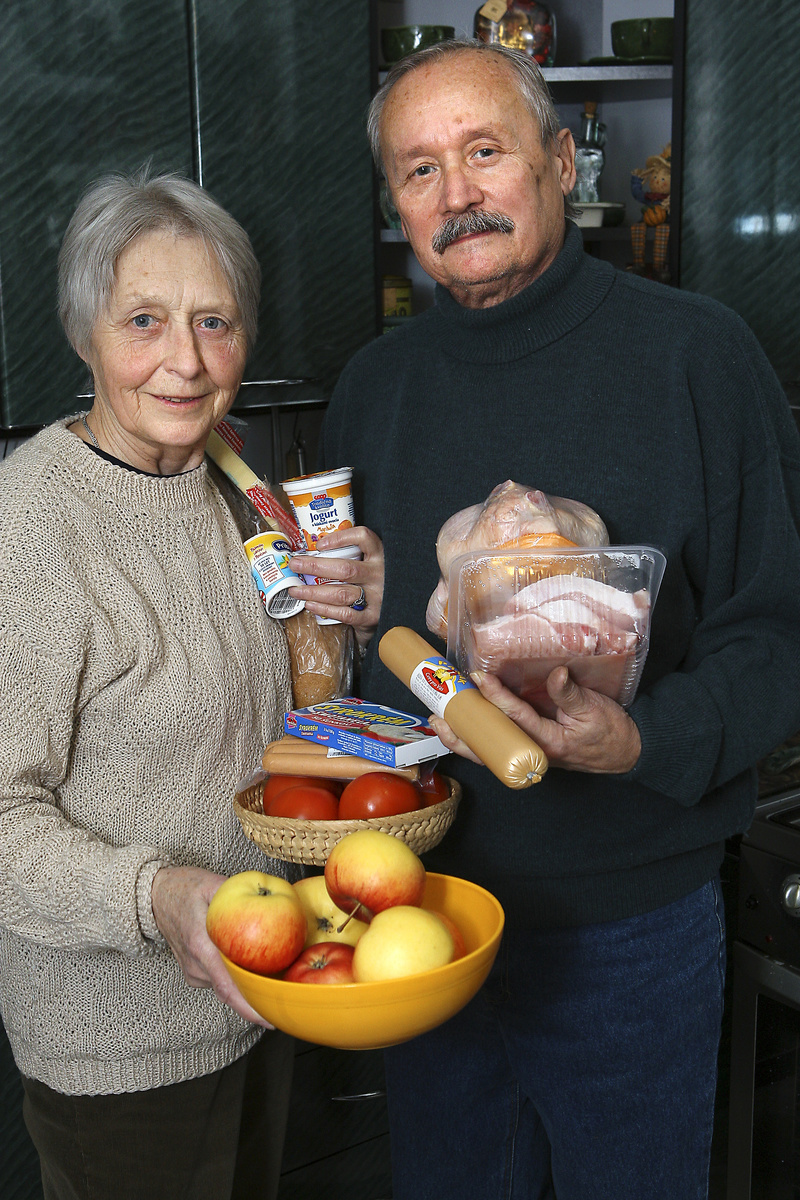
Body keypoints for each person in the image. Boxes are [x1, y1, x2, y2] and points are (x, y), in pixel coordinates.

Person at [317, 38, 800, 1200]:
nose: (456, 194)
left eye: (483, 151)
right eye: (419, 170)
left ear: (559, 159)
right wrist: (350, 613)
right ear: (394, 200)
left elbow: (775, 630)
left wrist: (639, 739)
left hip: (627, 928)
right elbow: (390, 657)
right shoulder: (372, 387)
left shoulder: (695, 355)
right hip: (425, 912)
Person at [0, 167, 312, 1200]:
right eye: (144, 319)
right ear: (84, 330)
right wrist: (162, 897)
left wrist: (337, 611)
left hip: (261, 989)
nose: (185, 360)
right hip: (119, 1052)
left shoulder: (231, 478)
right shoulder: (33, 523)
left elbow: (265, 706)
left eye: (213, 321)